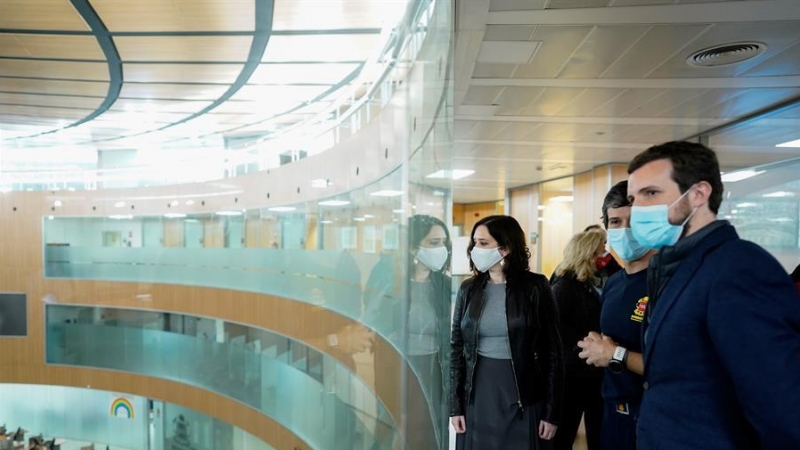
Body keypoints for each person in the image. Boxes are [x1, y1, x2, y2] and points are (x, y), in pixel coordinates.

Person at [626, 141, 800, 449]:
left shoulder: (738, 267)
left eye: (651, 193)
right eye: (633, 197)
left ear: (698, 194)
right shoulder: (672, 268)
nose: (637, 208)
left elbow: (779, 400)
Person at [450, 215, 563, 450]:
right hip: (478, 390)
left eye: (483, 243)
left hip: (522, 391)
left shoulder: (536, 287)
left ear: (505, 248)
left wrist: (552, 412)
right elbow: (456, 349)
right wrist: (455, 405)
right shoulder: (468, 289)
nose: (474, 249)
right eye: (474, 243)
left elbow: (553, 352)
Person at [364, 214, 453, 450]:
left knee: (426, 430)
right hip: (398, 365)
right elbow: (373, 321)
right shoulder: (388, 279)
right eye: (434, 243)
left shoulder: (443, 285)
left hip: (433, 367)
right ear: (413, 247)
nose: (441, 248)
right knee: (394, 427)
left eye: (443, 242)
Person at [577, 180, 654, 450]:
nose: (625, 230)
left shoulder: (667, 283)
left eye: (633, 221)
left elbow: (675, 365)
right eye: (615, 222)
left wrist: (615, 354)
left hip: (651, 418)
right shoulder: (614, 282)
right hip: (611, 412)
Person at [550, 229, 607, 450]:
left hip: (596, 371)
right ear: (589, 251)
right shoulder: (564, 285)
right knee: (563, 435)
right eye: (603, 245)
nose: (606, 250)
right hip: (572, 373)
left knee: (599, 435)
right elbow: (552, 332)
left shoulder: (599, 279)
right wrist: (578, 349)